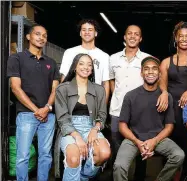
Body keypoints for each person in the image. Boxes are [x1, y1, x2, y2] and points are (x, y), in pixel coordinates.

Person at [109, 25, 167, 180]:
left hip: (138, 113)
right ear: (125, 37)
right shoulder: (113, 58)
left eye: (136, 34)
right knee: (117, 149)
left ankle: (139, 177)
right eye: (129, 34)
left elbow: (158, 78)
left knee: (141, 146)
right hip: (116, 110)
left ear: (140, 38)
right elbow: (112, 82)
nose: (133, 36)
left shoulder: (148, 59)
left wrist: (165, 93)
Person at [113, 56, 185, 181]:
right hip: (133, 139)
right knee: (119, 165)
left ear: (159, 73)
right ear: (141, 73)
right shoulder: (130, 96)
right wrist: (137, 142)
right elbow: (122, 125)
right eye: (146, 69)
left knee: (179, 155)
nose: (150, 72)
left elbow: (169, 126)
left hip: (158, 138)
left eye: (154, 69)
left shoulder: (166, 97)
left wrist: (154, 141)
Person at [7, 24, 60, 181]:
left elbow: (55, 90)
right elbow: (15, 88)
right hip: (26, 114)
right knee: (22, 155)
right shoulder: (17, 58)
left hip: (48, 116)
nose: (41, 38)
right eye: (37, 34)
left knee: (45, 155)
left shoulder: (51, 63)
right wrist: (37, 110)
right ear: (28, 37)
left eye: (44, 35)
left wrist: (47, 108)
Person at [55, 53, 111, 181]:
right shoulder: (62, 89)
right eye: (81, 63)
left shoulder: (99, 90)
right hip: (69, 129)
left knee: (104, 153)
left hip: (91, 127)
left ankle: (82, 177)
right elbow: (62, 118)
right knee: (74, 158)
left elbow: (102, 115)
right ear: (75, 66)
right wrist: (77, 137)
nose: (85, 67)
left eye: (89, 65)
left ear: (92, 70)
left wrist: (95, 129)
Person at [159, 21, 187, 179]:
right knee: (171, 151)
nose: (184, 39)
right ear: (175, 39)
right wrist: (163, 93)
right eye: (180, 36)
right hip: (172, 112)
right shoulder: (165, 62)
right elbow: (162, 88)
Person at [60, 19, 110, 103]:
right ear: (80, 33)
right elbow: (64, 78)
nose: (87, 32)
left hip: (95, 100)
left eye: (90, 30)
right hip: (72, 100)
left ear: (96, 33)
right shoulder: (69, 52)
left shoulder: (104, 56)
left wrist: (103, 107)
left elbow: (105, 83)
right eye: (84, 30)